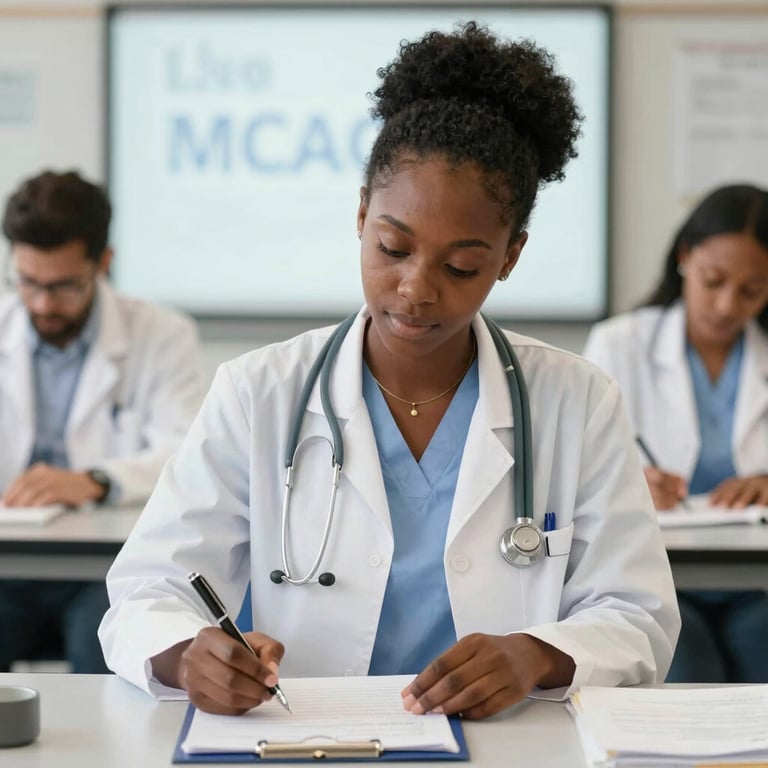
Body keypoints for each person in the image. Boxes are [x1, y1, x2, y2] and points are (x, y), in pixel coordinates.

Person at [100, 22, 679, 718]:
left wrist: (537, 654)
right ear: (361, 215)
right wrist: (187, 653)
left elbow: (638, 614)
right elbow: (146, 591)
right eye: (393, 247)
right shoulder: (258, 392)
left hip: (504, 744)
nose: (416, 288)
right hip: (304, 736)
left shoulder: (576, 400)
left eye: (461, 266)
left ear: (510, 257)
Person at [0, 169, 205, 673]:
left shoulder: (162, 335)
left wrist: (95, 480)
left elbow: (187, 454)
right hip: (8, 567)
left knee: (110, 651)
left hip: (107, 568)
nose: (43, 304)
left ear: (103, 263)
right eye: (28, 282)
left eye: (64, 286)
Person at [583, 184, 768, 683]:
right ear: (685, 258)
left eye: (751, 290)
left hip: (758, 585)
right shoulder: (619, 344)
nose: (728, 305)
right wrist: (629, 483)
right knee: (687, 679)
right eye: (713, 281)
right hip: (656, 580)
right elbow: (577, 473)